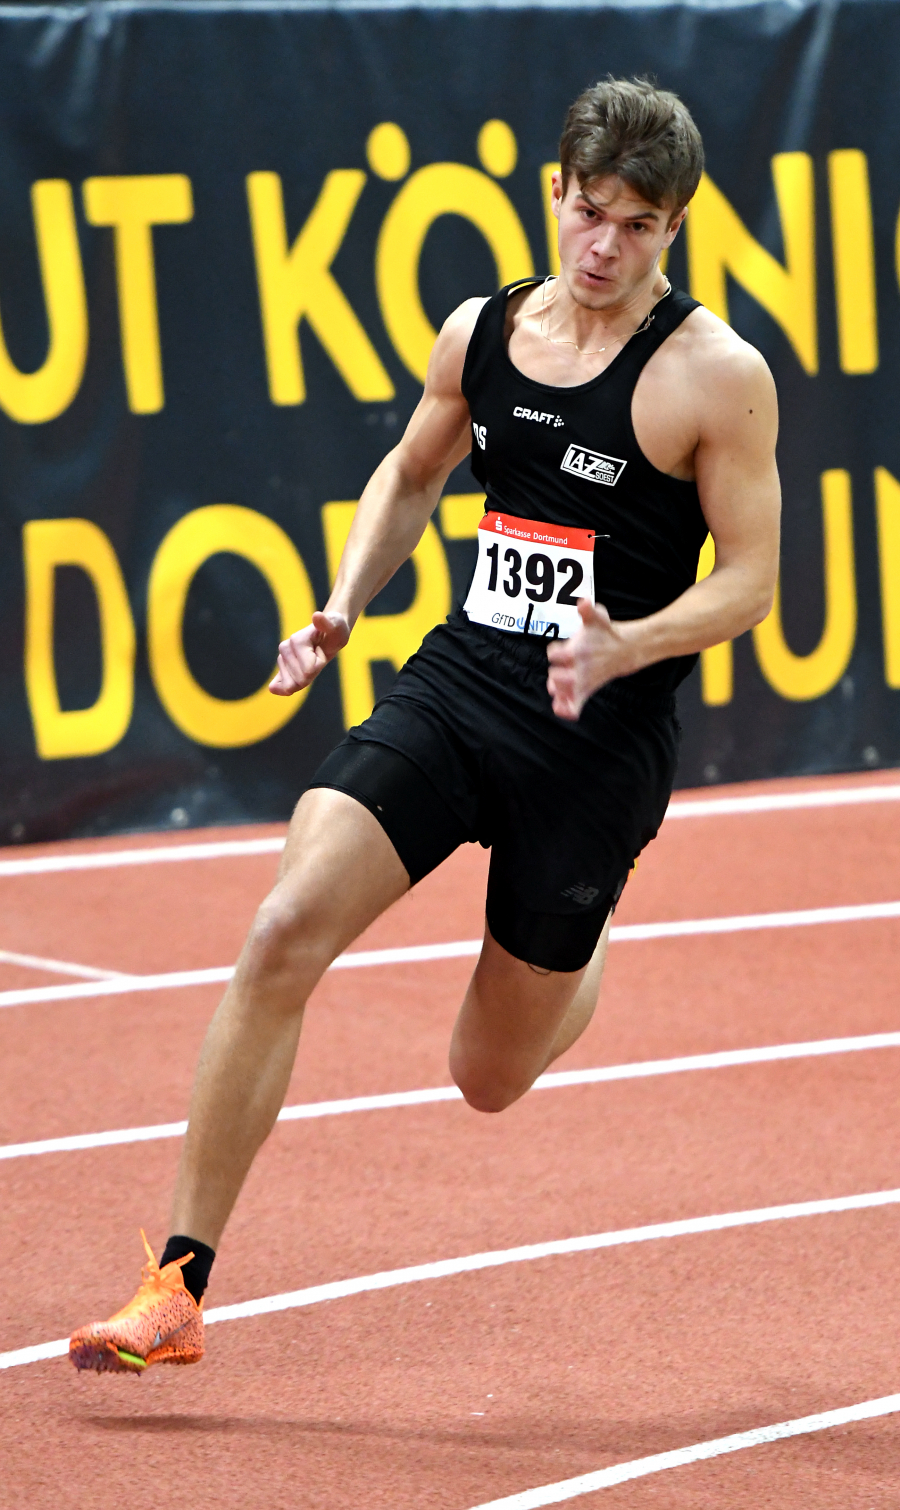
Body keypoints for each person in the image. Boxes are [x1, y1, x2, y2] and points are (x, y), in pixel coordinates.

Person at [69, 76, 780, 1373]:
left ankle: (594, 910)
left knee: (484, 1074)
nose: (604, 245)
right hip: (463, 682)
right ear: (554, 191)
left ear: (675, 226)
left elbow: (752, 578)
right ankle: (175, 1283)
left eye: (637, 225)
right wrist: (342, 607)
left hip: (596, 738)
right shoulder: (485, 332)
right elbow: (410, 471)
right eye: (589, 211)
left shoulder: (714, 378)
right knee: (285, 922)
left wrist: (636, 637)